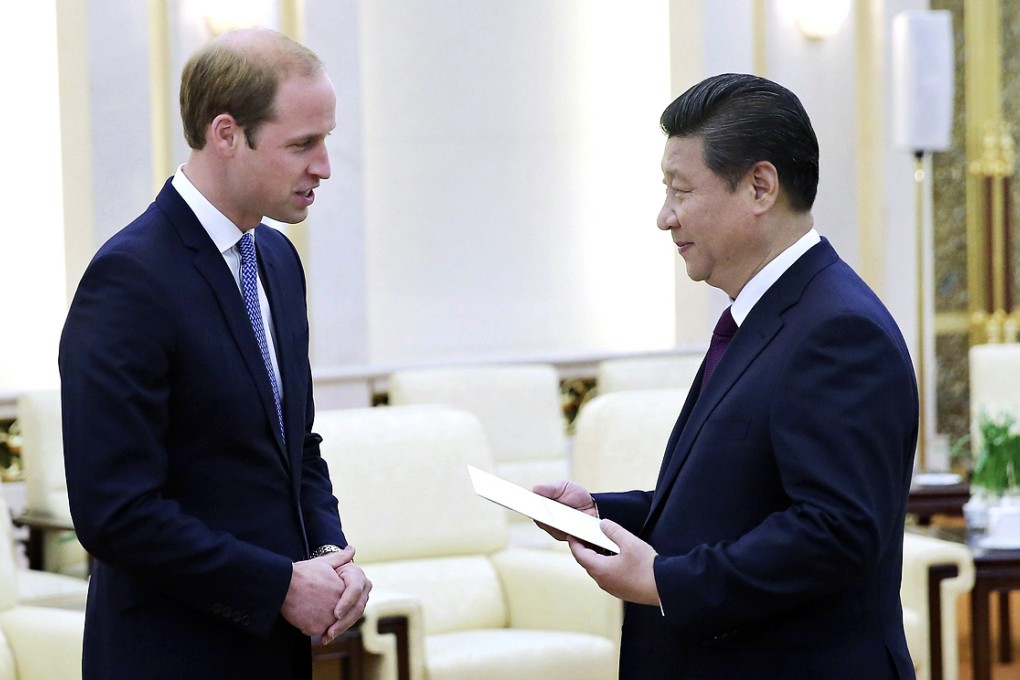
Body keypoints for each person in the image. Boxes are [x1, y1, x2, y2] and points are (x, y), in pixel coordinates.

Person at [535, 73, 918, 679]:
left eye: (679, 190)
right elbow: (735, 499)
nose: (665, 217)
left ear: (760, 187)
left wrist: (663, 581)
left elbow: (835, 532)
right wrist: (601, 511)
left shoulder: (839, 330)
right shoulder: (765, 314)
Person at [59, 28, 369, 679]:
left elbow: (296, 447)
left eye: (327, 140)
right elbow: (115, 513)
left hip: (275, 652)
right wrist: (279, 586)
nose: (325, 166)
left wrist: (330, 557)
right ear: (225, 133)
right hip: (170, 654)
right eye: (302, 144)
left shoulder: (279, 261)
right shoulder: (130, 278)